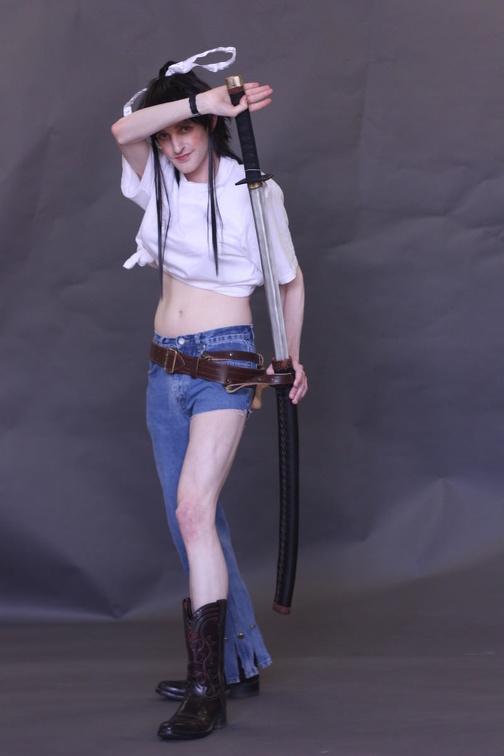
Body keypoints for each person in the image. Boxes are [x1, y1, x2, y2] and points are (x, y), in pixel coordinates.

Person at [111, 50, 307, 741]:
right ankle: (235, 663)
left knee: (194, 511)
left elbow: (289, 281)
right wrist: (199, 102)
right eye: (168, 133)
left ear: (214, 128)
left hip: (225, 363)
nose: (176, 145)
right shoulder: (159, 181)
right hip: (163, 367)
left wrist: (290, 356)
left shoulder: (254, 190)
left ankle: (207, 693)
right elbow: (123, 130)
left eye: (187, 131)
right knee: (191, 522)